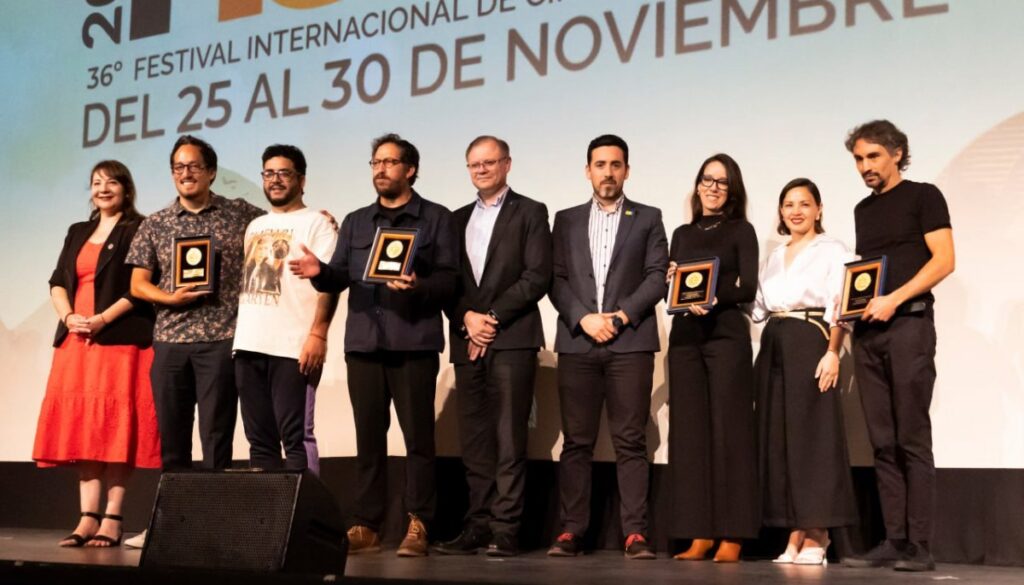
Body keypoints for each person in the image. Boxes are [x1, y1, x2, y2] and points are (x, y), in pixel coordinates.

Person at [290, 133, 459, 557]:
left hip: (414, 343)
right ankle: (366, 523)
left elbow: (449, 281)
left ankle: (419, 522)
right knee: (368, 439)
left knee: (418, 439)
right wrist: (318, 271)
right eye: (375, 162)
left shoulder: (436, 218)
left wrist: (417, 285)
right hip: (364, 344)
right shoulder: (357, 221)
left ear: (410, 169)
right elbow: (339, 276)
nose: (380, 169)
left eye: (390, 162)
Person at [124, 135, 265, 548]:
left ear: (211, 172)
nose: (185, 174)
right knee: (172, 439)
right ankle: (171, 524)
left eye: (193, 166)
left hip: (221, 338)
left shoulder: (240, 214)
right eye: (178, 167)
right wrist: (168, 298)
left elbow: (281, 226)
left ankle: (213, 524)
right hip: (170, 342)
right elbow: (137, 283)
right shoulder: (156, 223)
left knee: (216, 439)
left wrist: (315, 217)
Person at [840, 120, 955, 572]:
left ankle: (920, 546)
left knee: (911, 437)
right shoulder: (863, 210)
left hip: (909, 325)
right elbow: (867, 275)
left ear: (897, 153)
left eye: (873, 156)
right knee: (882, 441)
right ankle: (894, 539)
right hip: (869, 333)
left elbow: (944, 260)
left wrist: (895, 299)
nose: (864, 166)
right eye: (858, 159)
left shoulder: (924, 196)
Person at [546, 134, 668, 560]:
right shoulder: (565, 220)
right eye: (600, 165)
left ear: (627, 171)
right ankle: (571, 530)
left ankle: (635, 533)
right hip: (578, 342)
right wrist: (583, 318)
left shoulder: (648, 217)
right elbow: (555, 279)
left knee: (630, 441)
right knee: (576, 442)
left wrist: (619, 317)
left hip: (630, 344)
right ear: (588, 171)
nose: (608, 172)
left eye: (616, 165)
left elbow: (657, 276)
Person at [434, 136, 552, 557]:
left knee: (508, 437)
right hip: (467, 339)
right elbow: (447, 281)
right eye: (474, 164)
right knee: (475, 440)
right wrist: (466, 318)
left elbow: (537, 276)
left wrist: (492, 318)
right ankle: (477, 525)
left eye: (489, 162)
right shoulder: (454, 219)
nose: (481, 170)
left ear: (507, 164)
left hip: (512, 339)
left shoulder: (531, 212)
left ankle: (506, 529)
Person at [32, 160, 160, 547]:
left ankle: (113, 517)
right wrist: (69, 316)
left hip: (119, 337)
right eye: (96, 182)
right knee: (85, 425)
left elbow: (141, 286)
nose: (103, 188)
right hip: (76, 338)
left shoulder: (139, 228)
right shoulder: (78, 231)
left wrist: (102, 318)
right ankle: (87, 517)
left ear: (126, 188)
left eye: (111, 182)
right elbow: (58, 281)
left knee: (115, 427)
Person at [750, 178, 858, 565]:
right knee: (780, 439)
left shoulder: (833, 250)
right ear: (781, 212)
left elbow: (842, 303)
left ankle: (818, 533)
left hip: (811, 340)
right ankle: (795, 531)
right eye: (789, 205)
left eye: (804, 204)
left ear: (819, 209)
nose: (796, 211)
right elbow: (757, 308)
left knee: (813, 438)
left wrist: (832, 352)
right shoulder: (775, 256)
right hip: (774, 343)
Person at [667, 153, 759, 563]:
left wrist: (714, 298)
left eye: (722, 182)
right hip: (686, 338)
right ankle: (698, 534)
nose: (713, 187)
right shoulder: (681, 233)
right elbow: (674, 288)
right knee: (690, 435)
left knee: (730, 433)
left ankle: (733, 535)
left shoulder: (741, 230)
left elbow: (748, 287)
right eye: (707, 179)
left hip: (725, 336)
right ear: (698, 184)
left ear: (732, 189)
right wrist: (672, 283)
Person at [233, 144, 339, 472]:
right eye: (268, 173)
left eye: (284, 173)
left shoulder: (318, 223)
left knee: (296, 438)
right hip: (248, 345)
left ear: (301, 180)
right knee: (259, 441)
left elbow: (330, 283)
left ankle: (305, 507)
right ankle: (268, 508)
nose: (275, 180)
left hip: (293, 347)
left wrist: (318, 334)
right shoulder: (255, 225)